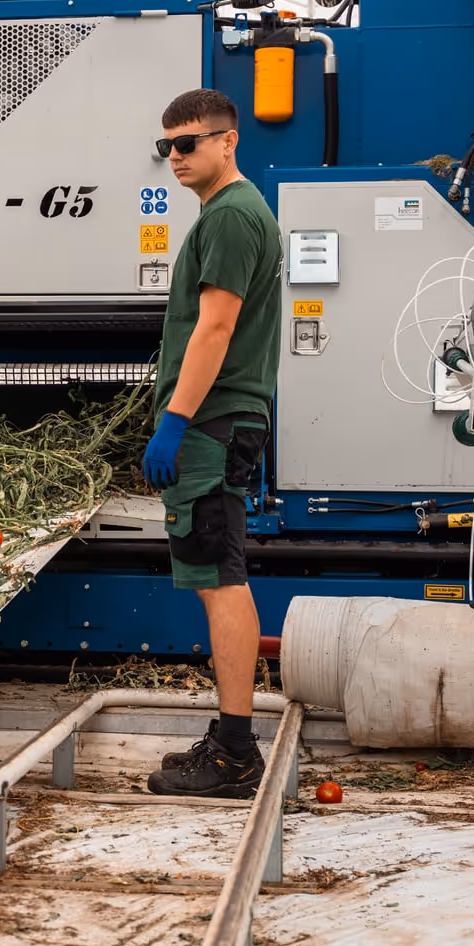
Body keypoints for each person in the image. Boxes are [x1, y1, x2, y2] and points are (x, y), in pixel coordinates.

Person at [140, 88, 283, 799]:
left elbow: (215, 330)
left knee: (221, 578)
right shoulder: (229, 212)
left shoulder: (230, 216)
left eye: (188, 142)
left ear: (227, 141)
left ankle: (233, 754)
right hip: (221, 417)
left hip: (213, 419)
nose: (175, 156)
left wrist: (175, 418)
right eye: (167, 144)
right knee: (216, 572)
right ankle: (228, 738)